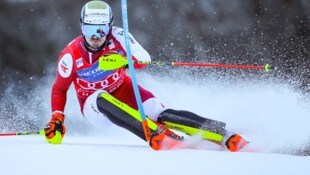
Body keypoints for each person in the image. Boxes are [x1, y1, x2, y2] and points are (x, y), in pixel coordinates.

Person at [42, 0, 248, 152]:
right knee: (100, 97)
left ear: (109, 27)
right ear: (81, 27)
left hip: (124, 89)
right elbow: (59, 88)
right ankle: (154, 133)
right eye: (89, 30)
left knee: (161, 113)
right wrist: (57, 118)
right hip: (95, 107)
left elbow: (144, 58)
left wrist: (124, 60)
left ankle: (223, 134)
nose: (95, 38)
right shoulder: (70, 56)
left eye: (101, 30)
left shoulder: (119, 35)